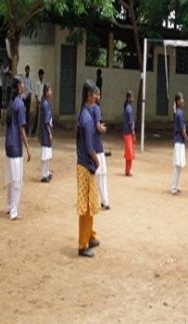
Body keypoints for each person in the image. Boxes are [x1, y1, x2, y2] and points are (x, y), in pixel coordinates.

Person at [76, 79, 101, 258]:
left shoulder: (87, 115)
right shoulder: (86, 119)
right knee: (85, 207)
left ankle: (90, 236)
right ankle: (82, 245)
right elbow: (89, 146)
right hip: (86, 166)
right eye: (94, 94)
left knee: (91, 205)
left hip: (87, 165)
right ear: (88, 96)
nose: (96, 97)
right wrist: (96, 160)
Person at [5, 76, 31, 220]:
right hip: (15, 146)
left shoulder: (12, 103)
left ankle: (9, 206)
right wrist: (27, 147)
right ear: (19, 87)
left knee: (10, 178)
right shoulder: (20, 105)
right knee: (17, 180)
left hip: (9, 144)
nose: (24, 86)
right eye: (22, 84)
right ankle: (14, 210)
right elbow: (22, 129)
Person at [171, 92, 188, 195]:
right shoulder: (179, 113)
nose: (182, 101)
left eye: (182, 99)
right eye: (180, 99)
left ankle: (176, 186)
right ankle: (173, 188)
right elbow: (182, 130)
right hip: (179, 141)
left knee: (179, 165)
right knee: (177, 166)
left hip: (179, 141)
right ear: (177, 101)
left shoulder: (178, 112)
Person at [92, 87, 109, 209]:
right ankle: (104, 201)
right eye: (97, 94)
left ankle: (104, 201)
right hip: (97, 147)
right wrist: (103, 129)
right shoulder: (96, 108)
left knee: (100, 175)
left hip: (95, 146)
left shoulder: (90, 109)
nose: (99, 97)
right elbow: (98, 127)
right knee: (101, 175)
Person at [39, 83, 53, 183]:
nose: (51, 92)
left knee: (48, 154)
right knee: (45, 154)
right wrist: (49, 133)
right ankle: (43, 174)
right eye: (50, 90)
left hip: (47, 130)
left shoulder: (47, 102)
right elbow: (46, 121)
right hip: (45, 131)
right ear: (46, 92)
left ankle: (47, 172)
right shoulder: (45, 104)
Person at [123, 90, 136, 177]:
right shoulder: (129, 109)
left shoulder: (126, 107)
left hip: (126, 133)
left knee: (128, 153)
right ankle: (127, 171)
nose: (133, 98)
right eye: (131, 97)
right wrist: (133, 133)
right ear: (128, 98)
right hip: (128, 133)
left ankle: (127, 170)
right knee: (130, 153)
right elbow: (131, 123)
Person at [32, 69, 45, 137]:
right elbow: (36, 93)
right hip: (39, 101)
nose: (42, 76)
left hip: (42, 100)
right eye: (41, 75)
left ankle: (40, 130)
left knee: (42, 116)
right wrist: (37, 102)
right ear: (39, 75)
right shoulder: (37, 83)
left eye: (42, 75)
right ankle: (34, 130)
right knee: (37, 116)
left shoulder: (43, 83)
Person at [23, 65, 33, 135]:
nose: (28, 71)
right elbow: (23, 88)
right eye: (27, 70)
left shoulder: (30, 80)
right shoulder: (23, 79)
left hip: (28, 98)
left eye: (29, 70)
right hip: (24, 98)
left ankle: (27, 129)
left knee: (27, 114)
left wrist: (29, 94)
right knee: (23, 113)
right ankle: (23, 128)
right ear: (25, 70)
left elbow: (31, 89)